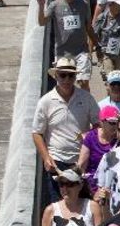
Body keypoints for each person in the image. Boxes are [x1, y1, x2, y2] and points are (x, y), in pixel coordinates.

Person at [33, 55, 100, 202]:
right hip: (57, 161)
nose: (67, 80)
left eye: (71, 76)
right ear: (56, 75)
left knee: (83, 202)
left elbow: (97, 124)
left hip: (82, 159)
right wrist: (46, 158)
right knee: (59, 204)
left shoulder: (86, 98)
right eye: (63, 75)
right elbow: (37, 133)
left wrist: (89, 136)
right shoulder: (46, 101)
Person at [37, 0, 96, 90]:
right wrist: (41, 6)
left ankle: (85, 105)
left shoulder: (83, 5)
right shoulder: (55, 5)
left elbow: (88, 27)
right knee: (64, 85)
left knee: (83, 82)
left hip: (81, 51)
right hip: (62, 52)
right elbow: (42, 22)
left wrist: (97, 45)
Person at [93, 0, 120, 82]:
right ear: (110, 4)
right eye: (118, 5)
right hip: (106, 54)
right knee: (110, 80)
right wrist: (97, 49)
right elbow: (94, 35)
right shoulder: (101, 18)